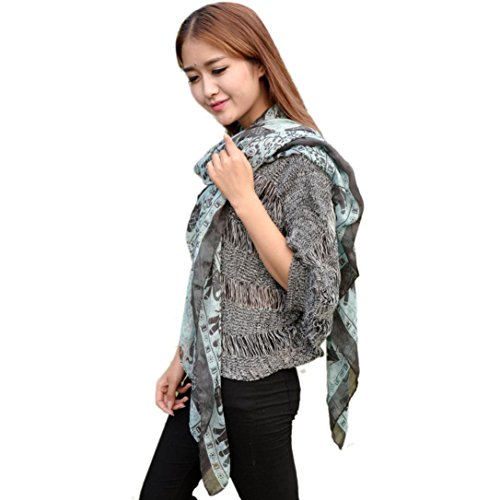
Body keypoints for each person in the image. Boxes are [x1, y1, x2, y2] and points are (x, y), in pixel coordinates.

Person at [138, 3, 364, 499]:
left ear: (259, 62)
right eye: (192, 76)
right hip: (207, 374)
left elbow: (315, 289)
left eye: (218, 69)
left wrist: (245, 199)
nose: (206, 89)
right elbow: (214, 277)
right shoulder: (237, 154)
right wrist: (182, 355)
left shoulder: (299, 162)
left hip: (258, 387)